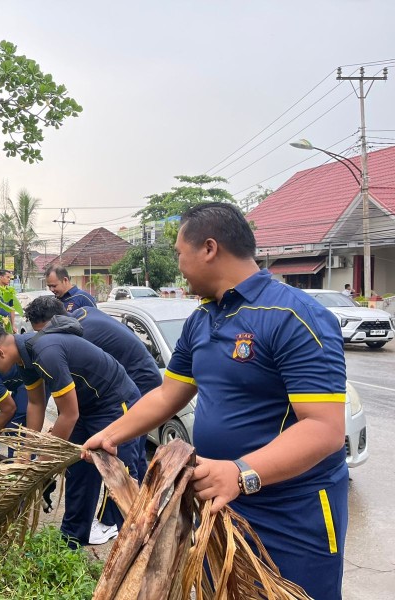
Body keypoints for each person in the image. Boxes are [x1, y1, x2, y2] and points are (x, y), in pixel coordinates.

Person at [82, 202, 348, 600]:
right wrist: (111, 434)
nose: (178, 264)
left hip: (291, 512)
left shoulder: (293, 315)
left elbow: (324, 429)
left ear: (209, 248)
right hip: (220, 506)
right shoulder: (203, 319)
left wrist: (241, 473)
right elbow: (169, 393)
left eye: (179, 252)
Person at [0, 319, 142, 548]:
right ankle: (70, 543)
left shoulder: (46, 352)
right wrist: (26, 454)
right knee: (78, 470)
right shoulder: (24, 357)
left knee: (120, 478)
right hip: (85, 407)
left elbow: (69, 415)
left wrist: (43, 462)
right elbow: (36, 404)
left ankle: (135, 547)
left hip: (115, 403)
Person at [24, 295, 162, 480]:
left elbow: (70, 396)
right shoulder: (79, 316)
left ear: (54, 321)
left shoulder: (77, 334)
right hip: (123, 377)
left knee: (128, 453)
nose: (41, 339)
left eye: (42, 332)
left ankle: (143, 502)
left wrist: (63, 423)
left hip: (139, 379)